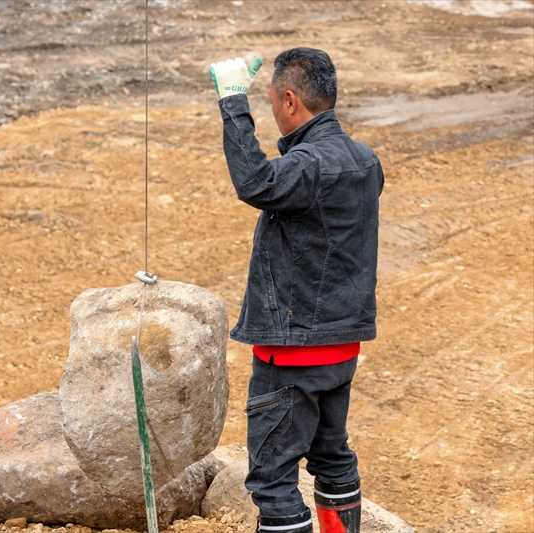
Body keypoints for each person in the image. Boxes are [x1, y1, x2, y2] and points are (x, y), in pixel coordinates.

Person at [209, 48, 383, 533]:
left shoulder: (308, 165)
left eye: (269, 103)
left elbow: (256, 182)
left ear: (289, 101)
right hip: (341, 349)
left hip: (292, 355)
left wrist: (231, 100)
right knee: (332, 455)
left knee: (272, 478)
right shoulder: (365, 160)